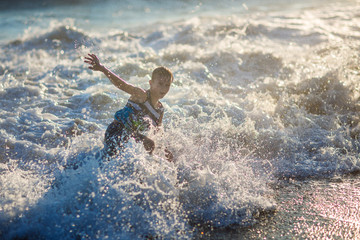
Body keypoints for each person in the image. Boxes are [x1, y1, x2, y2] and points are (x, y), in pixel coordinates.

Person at [84, 53, 173, 161]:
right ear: (150, 83)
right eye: (160, 84)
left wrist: (164, 149)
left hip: (131, 136)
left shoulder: (160, 110)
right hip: (117, 130)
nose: (163, 88)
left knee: (165, 152)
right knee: (149, 143)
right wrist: (102, 68)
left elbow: (158, 132)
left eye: (167, 85)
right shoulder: (142, 95)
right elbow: (122, 85)